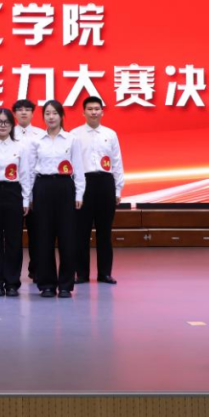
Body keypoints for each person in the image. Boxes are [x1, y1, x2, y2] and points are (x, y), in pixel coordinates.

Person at [29, 100, 85, 298]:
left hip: (65, 187)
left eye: (54, 113)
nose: (51, 117)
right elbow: (29, 171)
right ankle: (46, 284)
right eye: (47, 113)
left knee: (67, 238)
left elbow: (78, 168)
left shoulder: (71, 140)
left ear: (61, 116)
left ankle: (65, 285)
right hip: (42, 187)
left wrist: (79, 194)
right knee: (43, 237)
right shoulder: (37, 140)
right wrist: (28, 197)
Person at [0, 108, 34, 297]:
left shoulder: (20, 147)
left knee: (14, 240)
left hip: (13, 193)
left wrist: (25, 199)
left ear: (12, 125)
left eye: (6, 122)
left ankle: (12, 282)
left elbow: (25, 174)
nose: (2, 125)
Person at [72, 96, 124, 285]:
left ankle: (105, 274)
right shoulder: (74, 134)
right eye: (90, 109)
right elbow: (72, 164)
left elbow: (117, 162)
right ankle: (82, 274)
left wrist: (117, 190)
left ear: (102, 112)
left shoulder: (110, 134)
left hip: (105, 183)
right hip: (84, 183)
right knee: (81, 232)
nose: (93, 112)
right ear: (83, 112)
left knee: (104, 232)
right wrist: (76, 191)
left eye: (97, 109)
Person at [13, 98, 45, 280]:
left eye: (27, 109)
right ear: (15, 113)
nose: (23, 112)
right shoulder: (7, 133)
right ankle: (13, 273)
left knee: (37, 234)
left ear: (33, 113)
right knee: (14, 235)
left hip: (36, 190)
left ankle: (36, 269)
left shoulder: (41, 135)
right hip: (13, 190)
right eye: (20, 109)